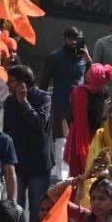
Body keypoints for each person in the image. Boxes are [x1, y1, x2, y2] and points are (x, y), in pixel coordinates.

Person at [3, 65, 54, 222]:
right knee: (15, 210)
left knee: (37, 211)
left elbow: (39, 123)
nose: (7, 85)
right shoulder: (9, 102)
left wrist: (24, 102)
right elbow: (7, 132)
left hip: (38, 165)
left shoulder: (44, 98)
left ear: (23, 83)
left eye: (11, 82)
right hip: (17, 164)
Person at [40, 27, 90, 180]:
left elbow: (94, 77)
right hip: (60, 102)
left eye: (77, 38)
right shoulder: (55, 57)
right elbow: (44, 80)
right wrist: (41, 100)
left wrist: (88, 59)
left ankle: (71, 169)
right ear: (65, 39)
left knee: (76, 138)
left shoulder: (84, 58)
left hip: (79, 104)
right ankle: (60, 170)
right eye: (70, 38)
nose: (74, 41)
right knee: (61, 138)